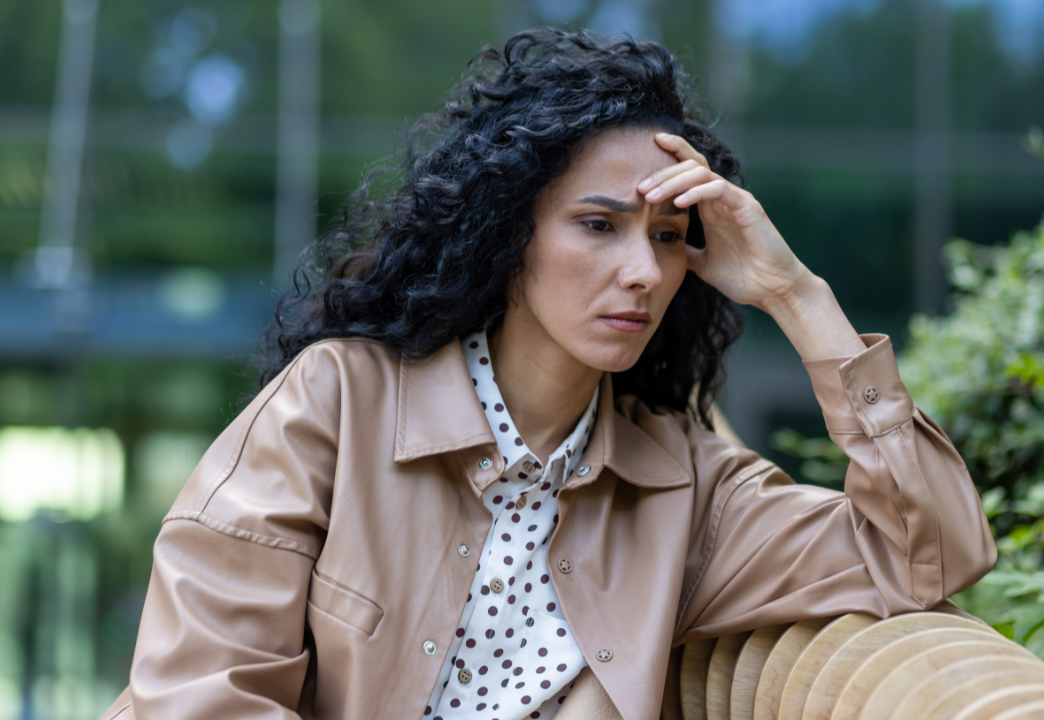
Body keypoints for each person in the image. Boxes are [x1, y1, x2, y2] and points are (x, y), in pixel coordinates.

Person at [101, 27, 995, 720]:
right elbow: (203, 690)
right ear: (509, 234)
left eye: (669, 238)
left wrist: (797, 296)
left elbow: (928, 553)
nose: (642, 272)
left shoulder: (684, 488)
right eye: (598, 226)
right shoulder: (338, 403)